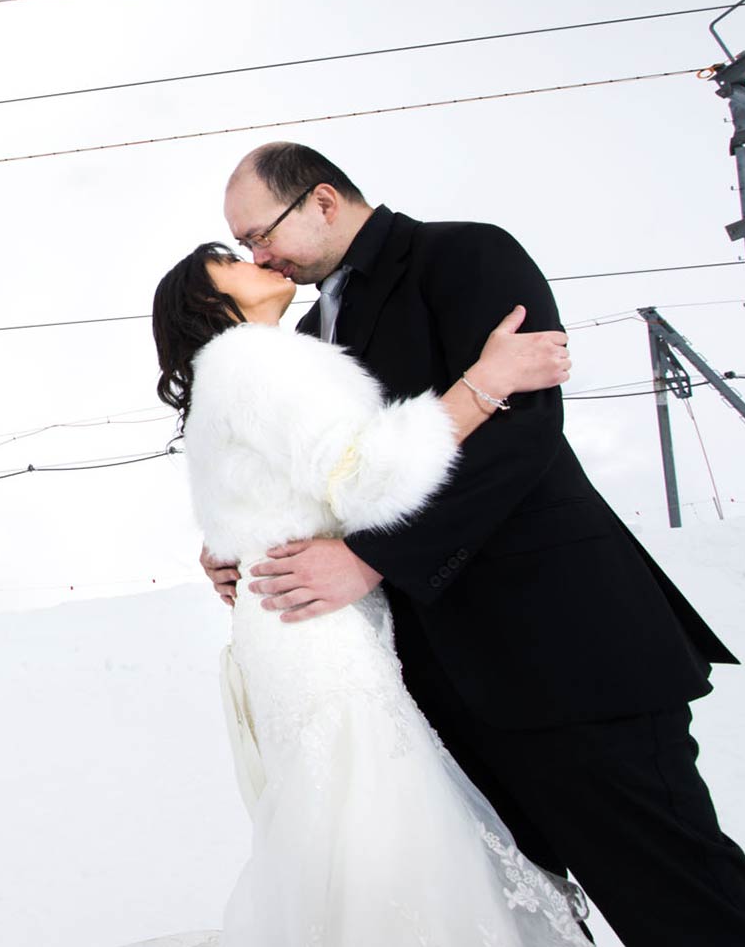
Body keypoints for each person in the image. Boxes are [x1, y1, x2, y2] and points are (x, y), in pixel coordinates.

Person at [205, 141, 745, 945]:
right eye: (247, 246)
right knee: (523, 909)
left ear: (322, 200)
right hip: (438, 686)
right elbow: (339, 479)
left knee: (675, 892)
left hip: (565, 654)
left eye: (260, 233)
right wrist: (246, 544)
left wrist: (371, 560)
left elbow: (518, 438)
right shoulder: (309, 334)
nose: (259, 254)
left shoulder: (462, 255)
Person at [155, 240, 585, 944]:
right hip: (313, 620)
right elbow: (362, 480)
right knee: (380, 817)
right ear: (211, 300)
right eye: (229, 258)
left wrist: (228, 549)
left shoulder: (223, 378)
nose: (254, 256)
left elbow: (253, 499)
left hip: (285, 618)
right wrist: (483, 383)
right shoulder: (253, 358)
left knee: (350, 819)